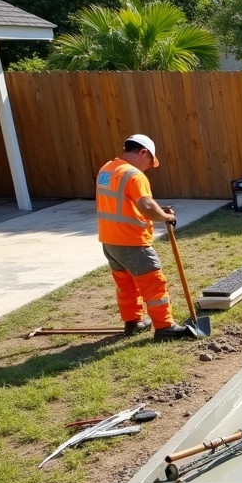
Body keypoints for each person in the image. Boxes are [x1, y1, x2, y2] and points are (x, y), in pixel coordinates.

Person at [96, 134, 197, 340]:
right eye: (150, 160)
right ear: (143, 152)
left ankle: (133, 323)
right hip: (132, 242)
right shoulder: (134, 175)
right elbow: (147, 206)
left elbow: (127, 203)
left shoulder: (107, 169)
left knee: (126, 285)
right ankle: (165, 327)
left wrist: (159, 210)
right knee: (154, 284)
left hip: (110, 242)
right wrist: (166, 216)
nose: (149, 166)